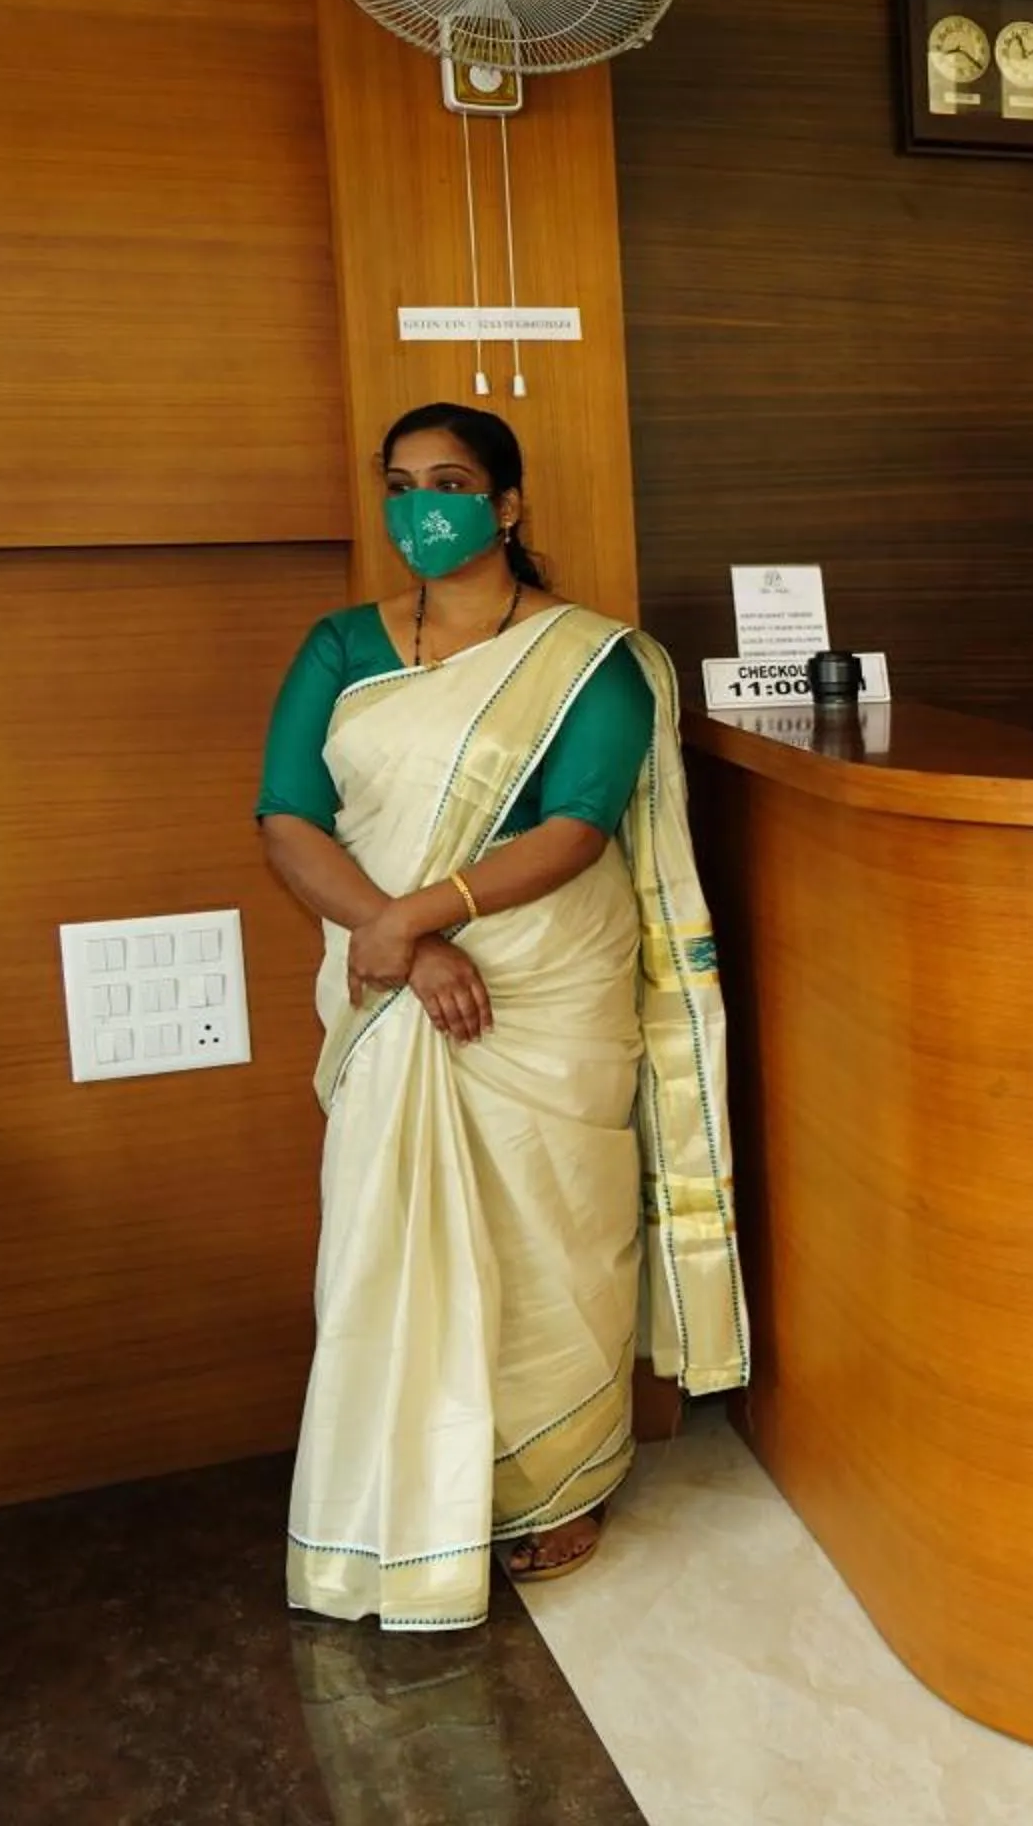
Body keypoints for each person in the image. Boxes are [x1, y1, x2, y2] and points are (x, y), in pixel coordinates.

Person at [255, 403, 747, 1629]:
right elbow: (286, 816)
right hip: (398, 987)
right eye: (401, 482)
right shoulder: (337, 646)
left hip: (540, 990)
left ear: (509, 504)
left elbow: (578, 827)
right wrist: (403, 941)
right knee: (387, 1227)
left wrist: (417, 912)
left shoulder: (593, 655)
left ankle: (553, 1479)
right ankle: (404, 1473)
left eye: (454, 480)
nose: (425, 504)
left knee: (552, 1233)